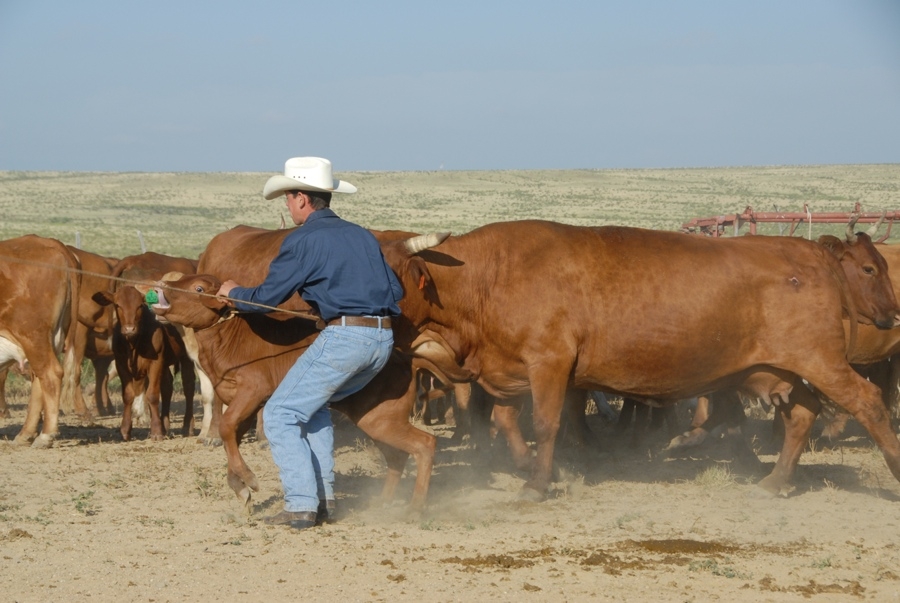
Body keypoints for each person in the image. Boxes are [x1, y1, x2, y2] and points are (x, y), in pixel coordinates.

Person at [217, 156, 402, 530]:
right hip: (382, 339)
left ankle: (301, 506)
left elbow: (267, 296)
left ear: (302, 199)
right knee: (312, 409)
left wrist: (234, 292)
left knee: (280, 414)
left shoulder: (302, 239)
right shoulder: (363, 235)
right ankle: (323, 499)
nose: (287, 204)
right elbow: (395, 290)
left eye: (288, 197)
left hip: (346, 337)